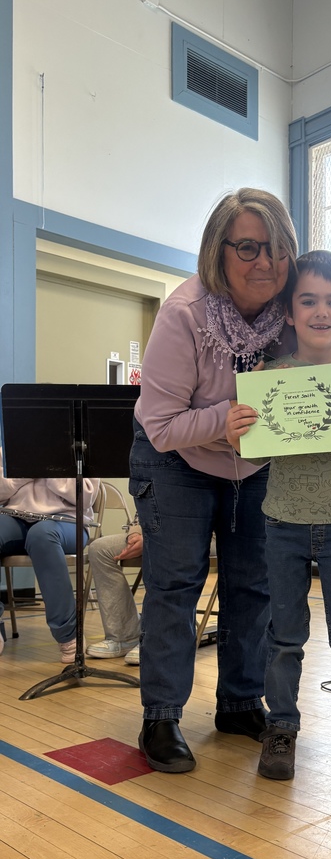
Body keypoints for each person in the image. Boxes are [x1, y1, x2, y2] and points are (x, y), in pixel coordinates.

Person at [129, 187, 299, 773]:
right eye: (248, 247)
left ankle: (238, 702)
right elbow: (158, 423)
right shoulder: (185, 315)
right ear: (217, 250)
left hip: (250, 465)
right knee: (175, 585)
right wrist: (222, 422)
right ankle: (161, 716)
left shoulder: (290, 315)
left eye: (276, 249)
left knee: (253, 586)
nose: (264, 263)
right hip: (174, 458)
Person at [226, 250, 331, 781]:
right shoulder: (269, 377)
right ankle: (281, 728)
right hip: (282, 524)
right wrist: (238, 435)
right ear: (290, 313)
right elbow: (256, 458)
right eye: (309, 300)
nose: (322, 311)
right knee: (284, 636)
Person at [0, 447, 100, 661]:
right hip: (16, 519)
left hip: (67, 524)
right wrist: (26, 472)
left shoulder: (80, 448)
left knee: (41, 535)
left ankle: (69, 634)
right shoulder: (8, 446)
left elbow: (85, 497)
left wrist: (47, 466)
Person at [86, 522, 142, 666]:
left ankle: (157, 638)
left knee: (160, 548)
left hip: (192, 532)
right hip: (151, 530)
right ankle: (125, 636)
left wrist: (153, 538)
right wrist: (135, 533)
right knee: (99, 549)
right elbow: (143, 508)